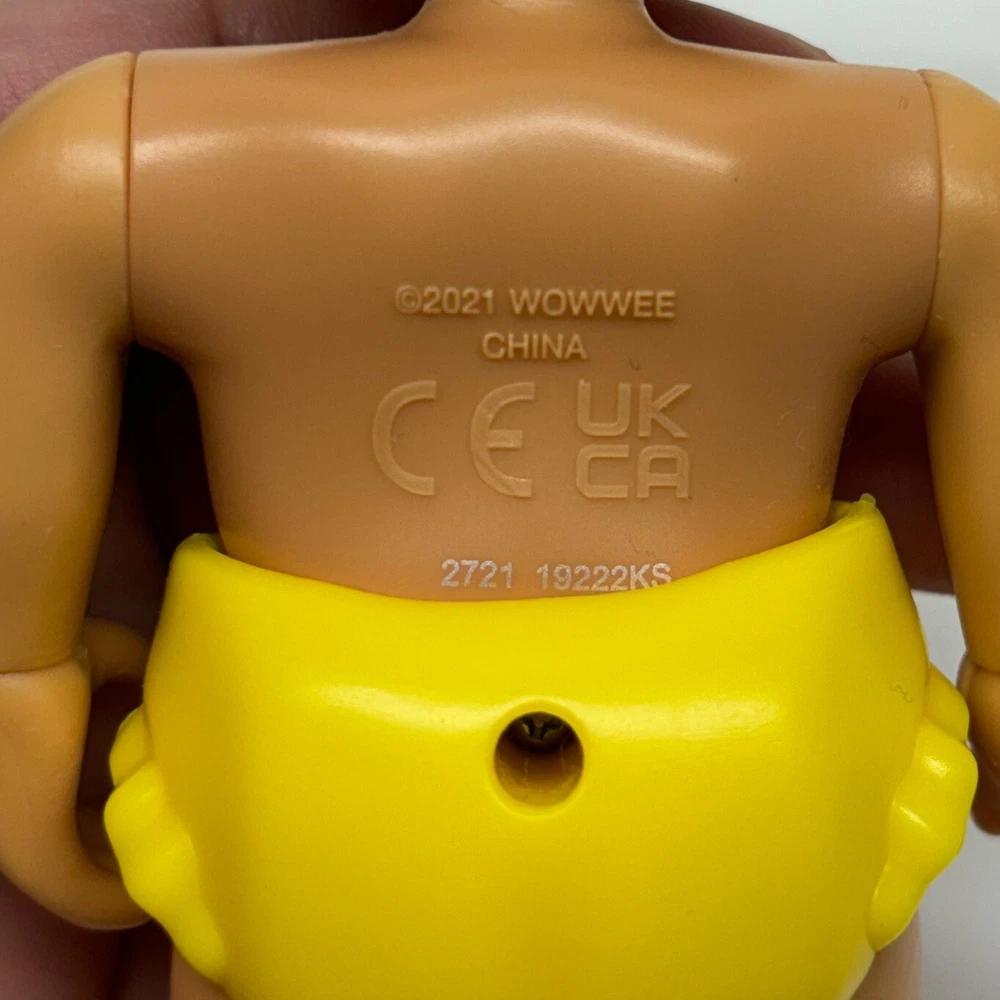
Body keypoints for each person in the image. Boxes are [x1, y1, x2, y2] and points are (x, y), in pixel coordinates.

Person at [0, 1, 981, 997]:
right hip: (767, 796)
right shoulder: (911, 157)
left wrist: (25, 704)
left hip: (307, 800)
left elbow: (45, 208)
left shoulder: (131, 145)